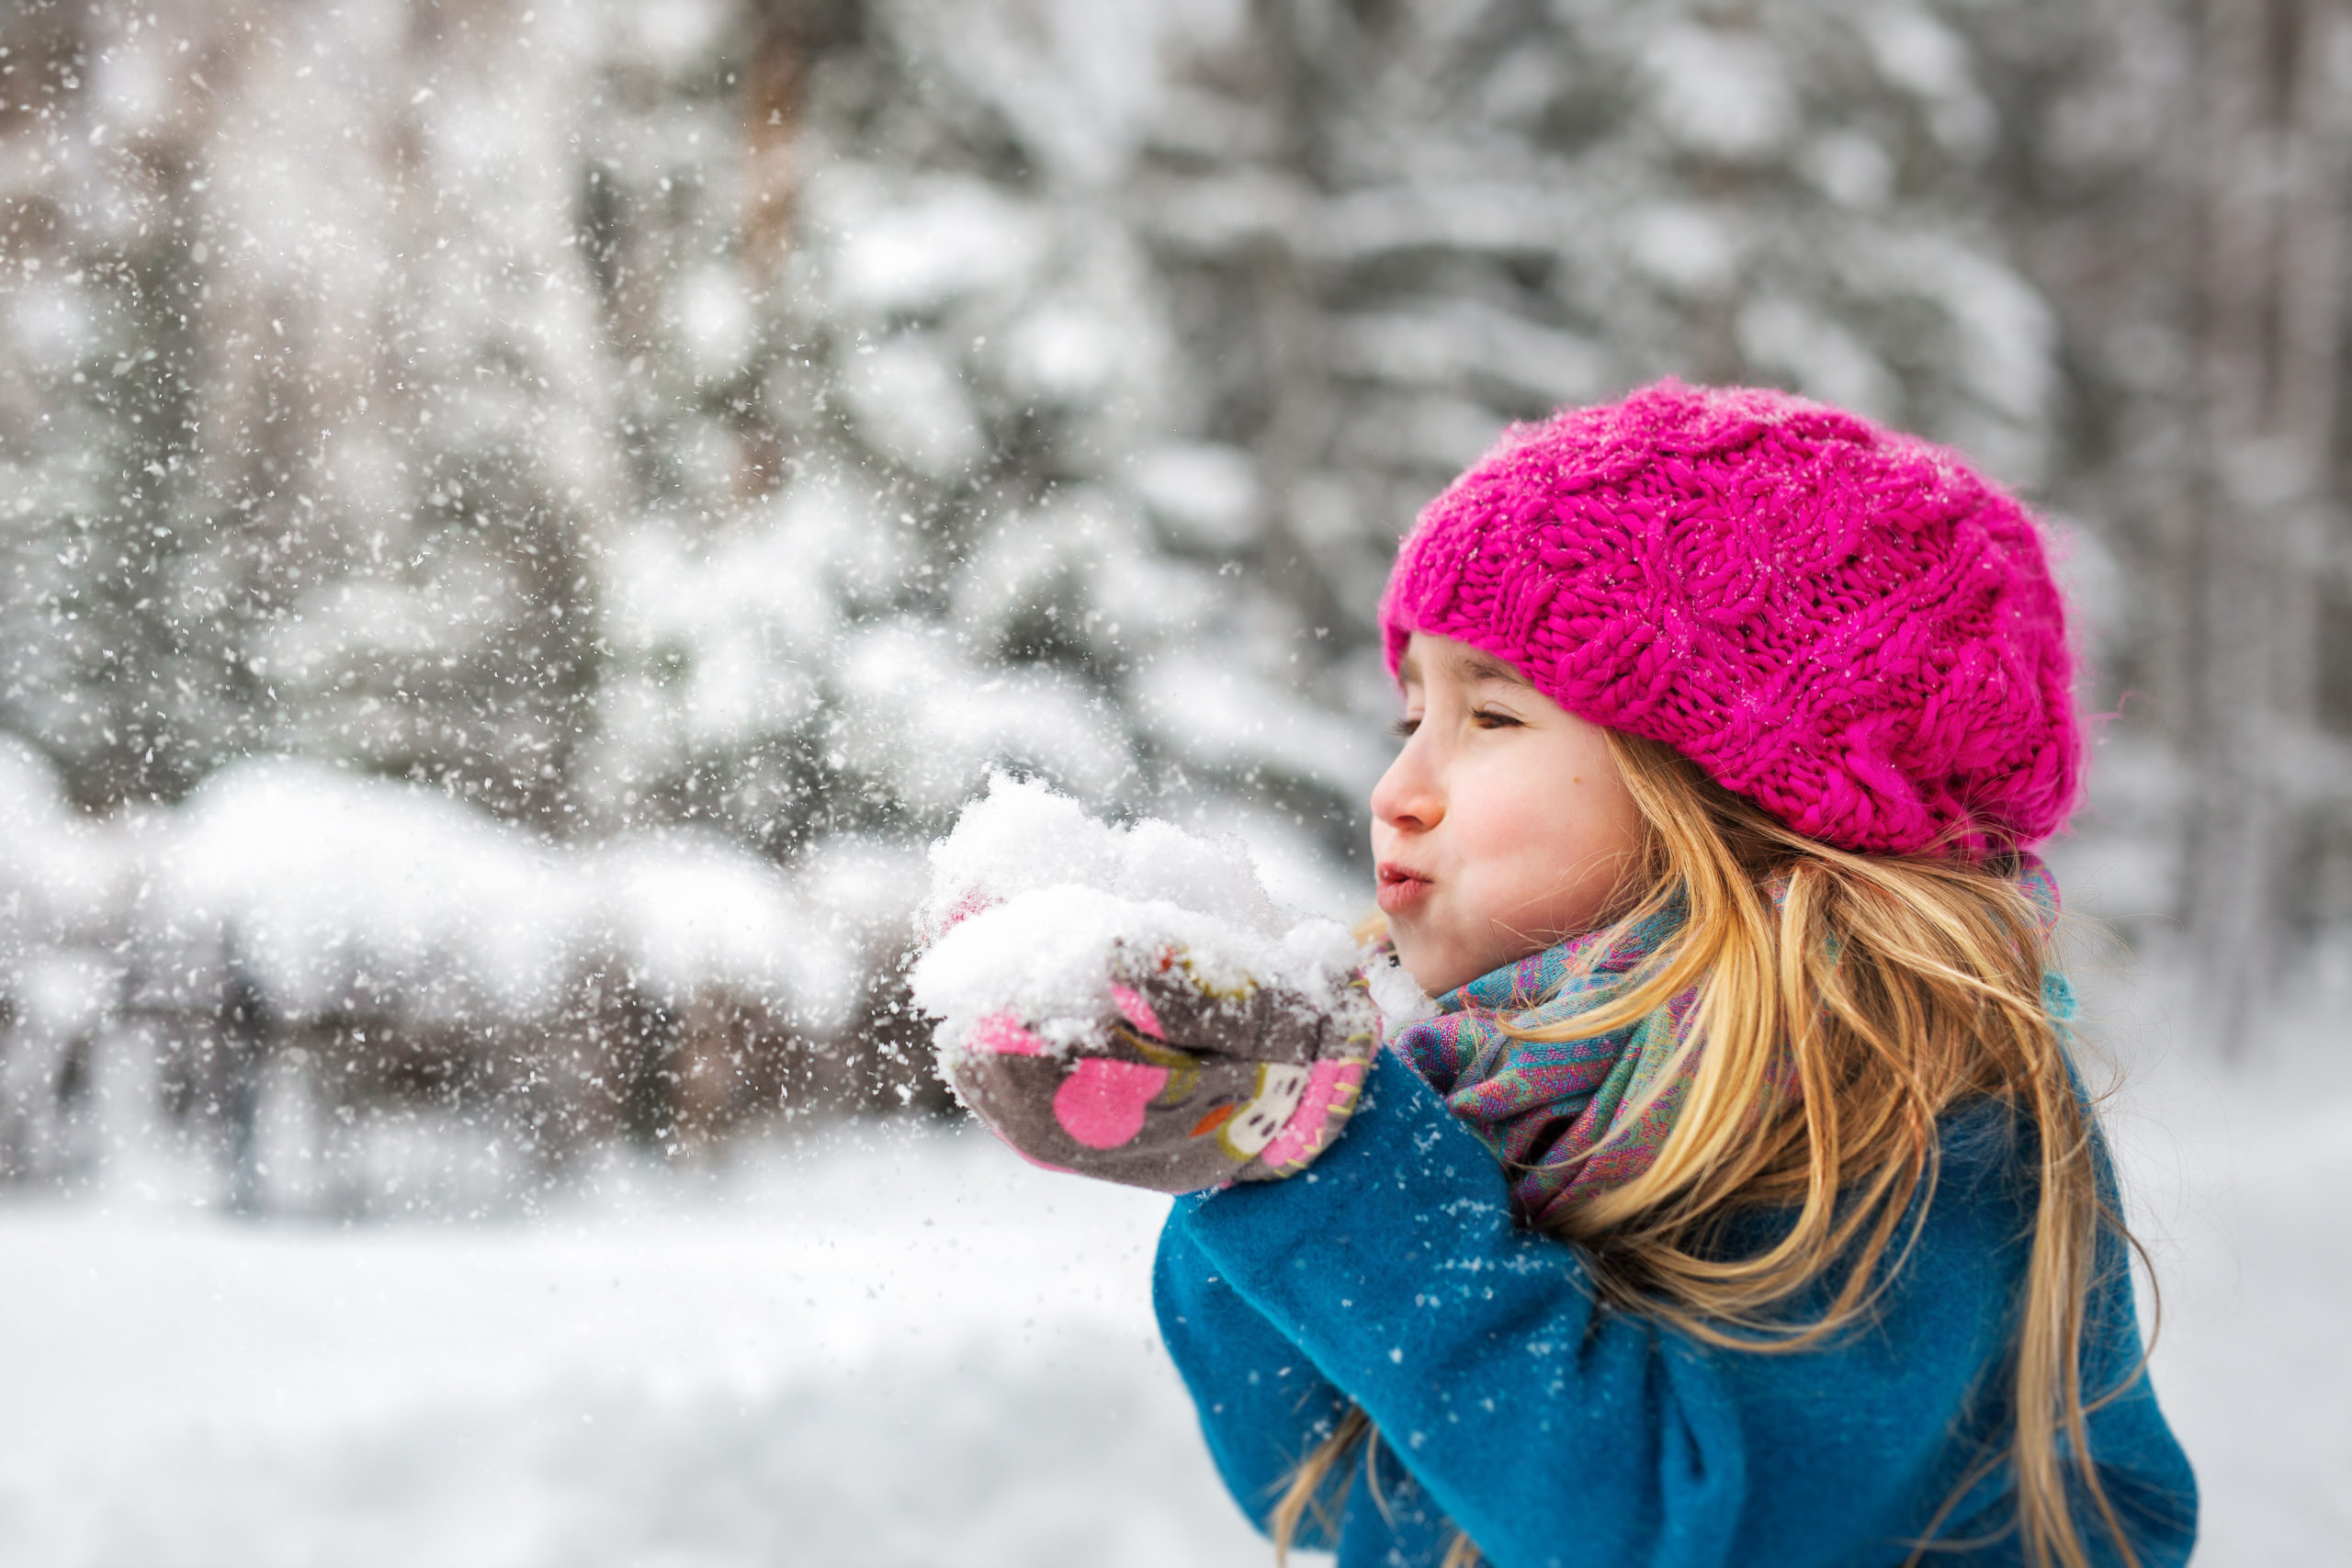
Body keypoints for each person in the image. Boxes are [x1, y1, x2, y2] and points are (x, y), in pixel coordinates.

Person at [927, 381, 2197, 1567]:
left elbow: (1670, 1528)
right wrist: (1240, 1137)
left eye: (1491, 718)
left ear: (1732, 786)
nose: (1398, 791)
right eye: (1407, 716)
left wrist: (1335, 1163)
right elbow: (1317, 1471)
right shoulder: (1516, 1082)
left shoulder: (1904, 1113)